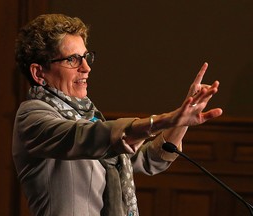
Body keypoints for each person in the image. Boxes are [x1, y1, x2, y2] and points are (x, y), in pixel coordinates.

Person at [12, 13, 222, 216]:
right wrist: (165, 119)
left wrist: (182, 121)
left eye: (85, 57)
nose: (86, 68)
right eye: (73, 60)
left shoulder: (87, 115)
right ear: (39, 73)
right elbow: (87, 136)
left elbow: (148, 159)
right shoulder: (32, 117)